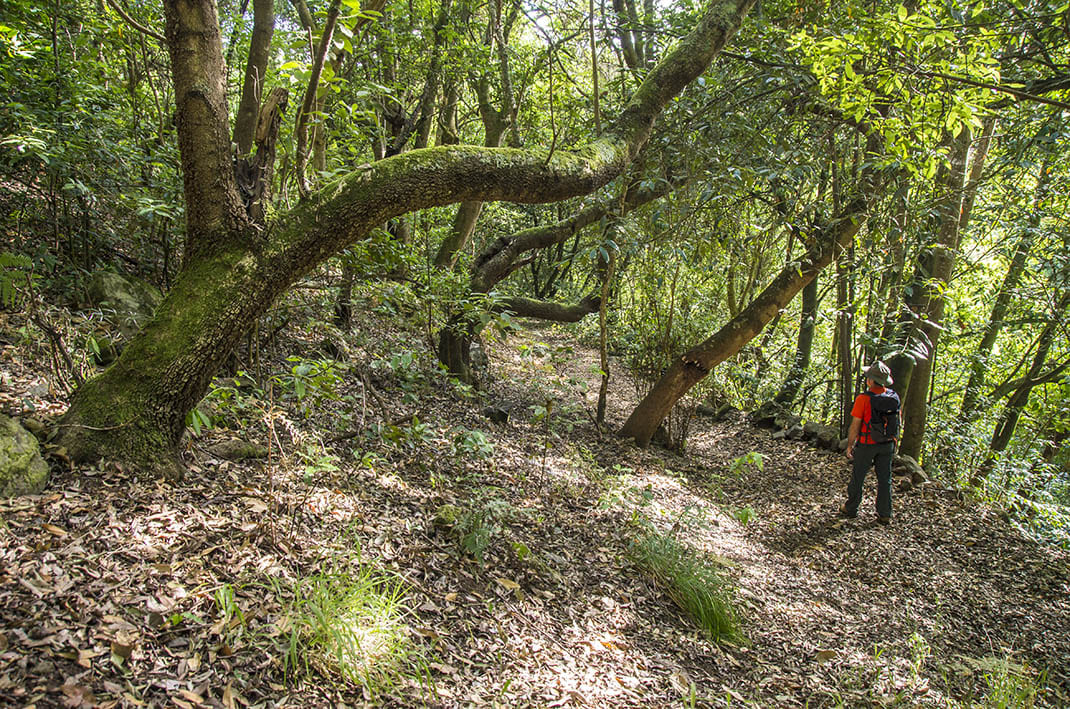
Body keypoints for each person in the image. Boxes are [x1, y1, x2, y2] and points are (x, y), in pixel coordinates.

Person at [840, 361, 899, 525]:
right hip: (887, 444)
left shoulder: (863, 399)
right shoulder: (893, 396)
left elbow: (855, 424)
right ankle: (885, 513)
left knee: (858, 476)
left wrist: (850, 445)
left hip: (867, 444)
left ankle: (851, 508)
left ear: (870, 381)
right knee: (885, 478)